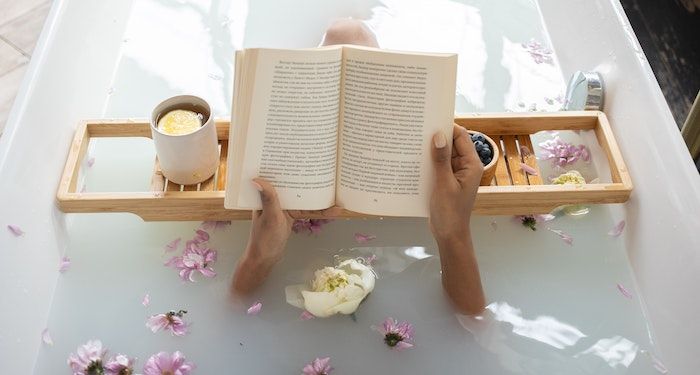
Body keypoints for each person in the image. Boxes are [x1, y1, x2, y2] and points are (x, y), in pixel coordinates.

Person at [230, 19, 486, 315]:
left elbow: (473, 324)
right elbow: (472, 319)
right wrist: (261, 254)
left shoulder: (429, 188)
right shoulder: (280, 194)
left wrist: (452, 232)